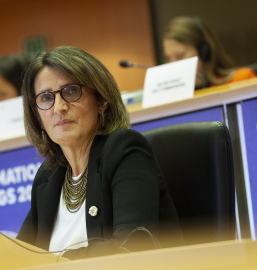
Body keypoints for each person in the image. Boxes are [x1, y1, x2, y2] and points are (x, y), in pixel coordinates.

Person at [16, 46, 182, 260]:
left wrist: (58, 262)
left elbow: (131, 247)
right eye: (46, 98)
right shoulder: (48, 177)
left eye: (71, 91)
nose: (59, 107)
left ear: (101, 101)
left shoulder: (124, 151)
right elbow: (20, 255)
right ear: (38, 116)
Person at [162, 16, 256, 89]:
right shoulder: (170, 98)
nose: (173, 66)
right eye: (169, 59)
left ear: (204, 52)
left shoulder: (241, 80)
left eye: (180, 56)